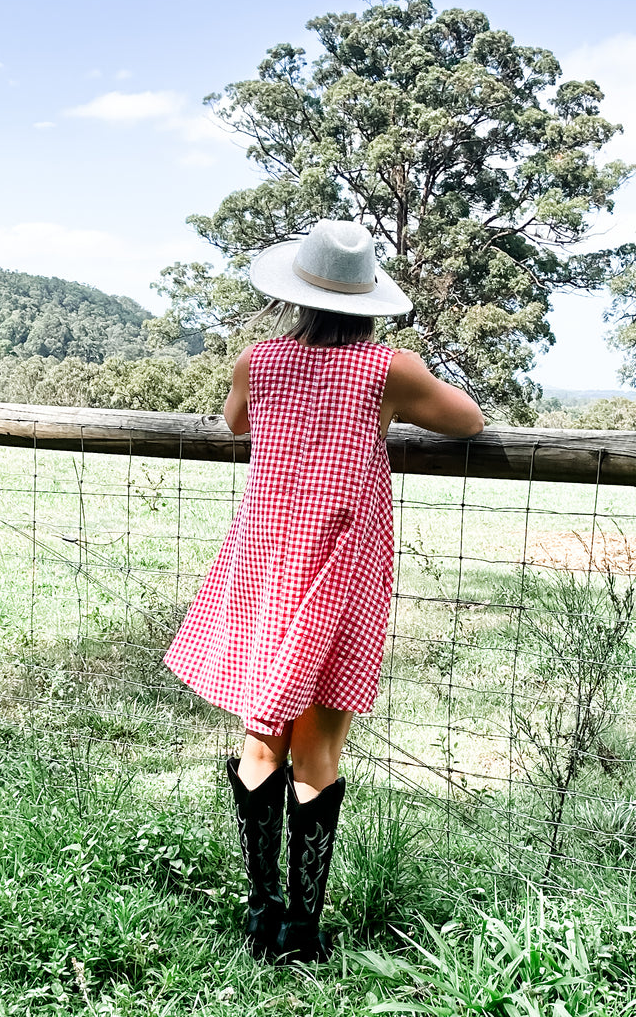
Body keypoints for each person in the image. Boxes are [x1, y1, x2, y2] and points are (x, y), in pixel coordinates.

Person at [164, 219, 484, 964]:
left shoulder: (260, 360)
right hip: (342, 564)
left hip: (268, 562)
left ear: (296, 294)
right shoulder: (387, 370)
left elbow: (236, 421)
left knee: (261, 734)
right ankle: (302, 933)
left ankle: (261, 917)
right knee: (320, 744)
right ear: (370, 298)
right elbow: (467, 421)